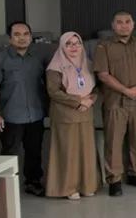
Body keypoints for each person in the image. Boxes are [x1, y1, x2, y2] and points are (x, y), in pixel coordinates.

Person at [93, 11, 136, 196]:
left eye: (127, 22)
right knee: (114, 141)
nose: (124, 25)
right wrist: (126, 91)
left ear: (133, 25)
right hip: (116, 102)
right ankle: (114, 179)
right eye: (119, 22)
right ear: (113, 26)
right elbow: (102, 74)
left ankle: (135, 174)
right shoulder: (104, 46)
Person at [0, 21, 46, 197]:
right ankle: (4, 186)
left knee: (34, 151)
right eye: (17, 34)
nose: (22, 38)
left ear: (31, 36)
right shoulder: (0, 59)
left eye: (25, 34)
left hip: (35, 113)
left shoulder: (37, 58)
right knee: (10, 151)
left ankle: (33, 182)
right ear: (10, 38)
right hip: (10, 115)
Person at [45, 31, 99, 200]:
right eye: (69, 44)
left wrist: (91, 99)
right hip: (65, 115)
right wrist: (78, 101)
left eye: (77, 43)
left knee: (86, 151)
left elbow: (97, 88)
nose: (74, 47)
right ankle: (68, 188)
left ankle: (87, 185)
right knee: (68, 152)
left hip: (86, 114)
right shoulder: (55, 67)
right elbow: (53, 92)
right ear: (62, 46)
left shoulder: (88, 64)